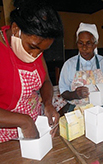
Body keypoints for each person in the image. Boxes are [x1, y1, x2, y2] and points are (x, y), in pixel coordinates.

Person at [0, 0, 63, 143]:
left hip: (34, 123)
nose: (35, 55)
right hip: (5, 137)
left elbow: (46, 80)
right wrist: (24, 121)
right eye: (32, 47)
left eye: (42, 51)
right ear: (16, 29)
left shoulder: (35, 49)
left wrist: (47, 104)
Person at [59, 22, 103, 112]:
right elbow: (63, 92)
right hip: (77, 110)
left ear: (95, 44)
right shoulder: (69, 65)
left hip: (100, 109)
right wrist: (75, 94)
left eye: (88, 43)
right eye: (80, 43)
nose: (84, 47)